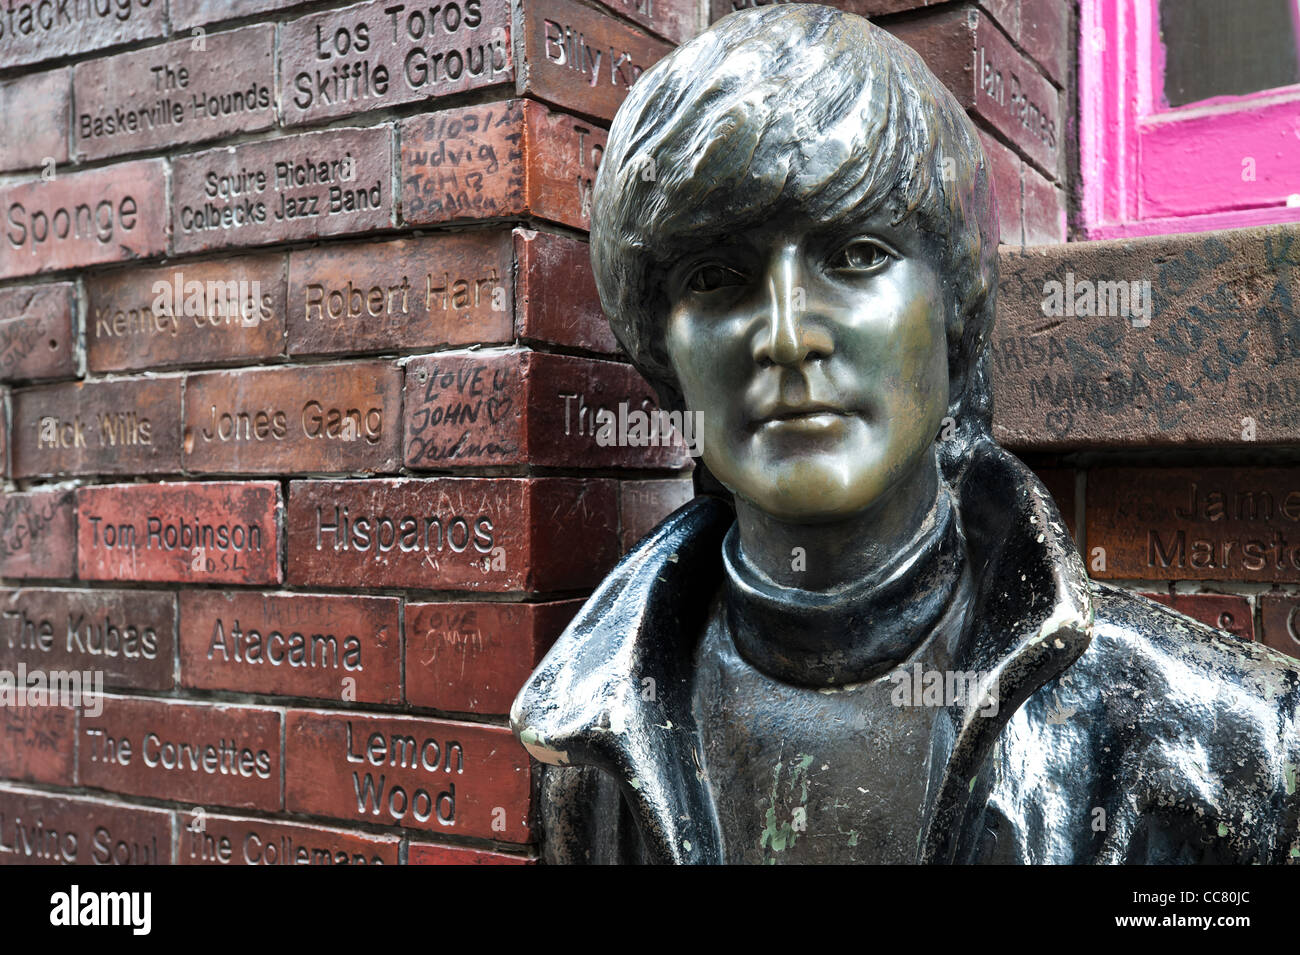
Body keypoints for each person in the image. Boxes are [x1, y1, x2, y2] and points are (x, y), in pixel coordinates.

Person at [511, 3, 1300, 864]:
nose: (787, 334)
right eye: (716, 276)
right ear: (663, 350)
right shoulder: (588, 738)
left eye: (856, 256)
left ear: (953, 311)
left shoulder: (1237, 745)